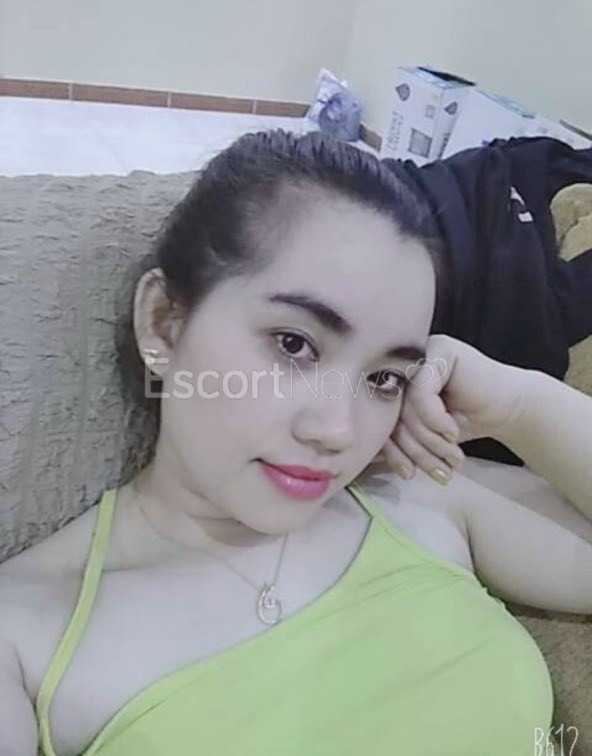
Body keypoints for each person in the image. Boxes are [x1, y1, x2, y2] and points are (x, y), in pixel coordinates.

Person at [1, 129, 591, 756]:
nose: (338, 431)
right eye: (294, 344)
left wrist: (518, 404)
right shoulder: (26, 636)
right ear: (164, 322)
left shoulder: (421, 497)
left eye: (384, 378)